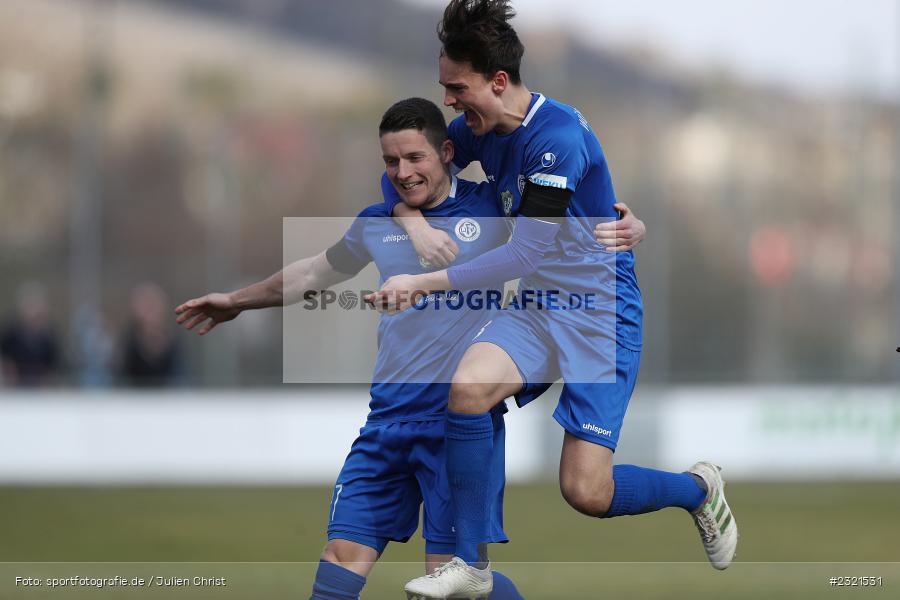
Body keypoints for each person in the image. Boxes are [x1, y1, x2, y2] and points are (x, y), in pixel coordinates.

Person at [369, 2, 737, 597]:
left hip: (600, 312)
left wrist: (421, 282)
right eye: (445, 89)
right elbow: (405, 173)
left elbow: (522, 255)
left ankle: (698, 489)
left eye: (457, 89)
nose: (449, 103)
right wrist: (411, 223)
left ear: (497, 81)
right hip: (539, 306)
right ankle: (471, 564)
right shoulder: (475, 131)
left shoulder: (556, 138)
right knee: (467, 388)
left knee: (585, 491)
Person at [175, 98, 526, 600]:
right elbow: (312, 274)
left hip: (457, 427)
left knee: (453, 585)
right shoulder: (376, 222)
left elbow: (556, 223)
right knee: (340, 557)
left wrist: (623, 225)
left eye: (415, 158)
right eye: (391, 161)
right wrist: (237, 301)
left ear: (447, 152)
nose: (402, 172)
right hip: (387, 423)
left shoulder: (492, 208)